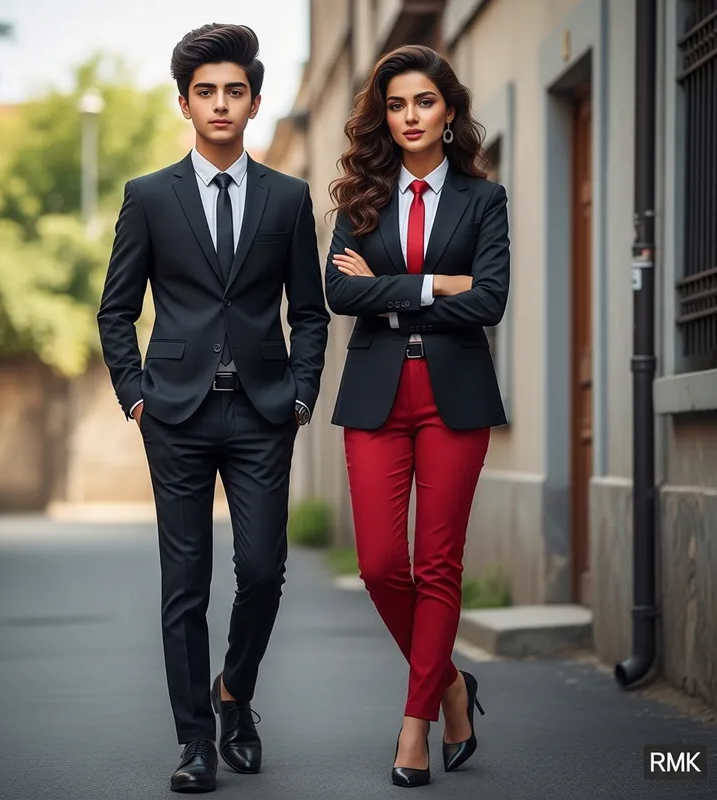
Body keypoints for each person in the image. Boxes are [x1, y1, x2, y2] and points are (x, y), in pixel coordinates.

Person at [97, 23, 330, 794]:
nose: (221, 103)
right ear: (185, 103)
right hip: (177, 415)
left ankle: (236, 694)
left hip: (264, 411)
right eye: (206, 92)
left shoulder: (288, 199)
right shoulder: (149, 197)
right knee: (184, 582)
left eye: (234, 91)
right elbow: (115, 310)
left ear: (254, 102)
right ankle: (195, 742)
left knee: (263, 570)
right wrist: (135, 395)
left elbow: (312, 312)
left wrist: (301, 394)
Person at [325, 44, 509, 788]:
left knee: (437, 565)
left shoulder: (483, 199)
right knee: (377, 565)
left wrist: (395, 285)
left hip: (453, 395)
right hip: (376, 394)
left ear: (449, 112)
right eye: (397, 104)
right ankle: (455, 684)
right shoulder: (359, 199)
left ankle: (416, 723)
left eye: (424, 103)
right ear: (385, 115)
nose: (410, 116)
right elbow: (342, 296)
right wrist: (438, 283)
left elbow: (489, 300)